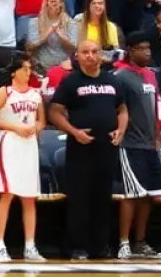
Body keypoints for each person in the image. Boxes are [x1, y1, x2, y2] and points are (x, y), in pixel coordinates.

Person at [49, 40, 128, 260]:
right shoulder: (71, 81)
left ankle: (100, 246)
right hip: (80, 148)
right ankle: (77, 246)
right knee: (79, 198)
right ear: (78, 56)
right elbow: (54, 112)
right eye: (86, 52)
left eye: (94, 52)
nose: (91, 56)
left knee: (103, 198)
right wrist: (74, 131)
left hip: (107, 148)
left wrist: (120, 130)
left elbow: (122, 109)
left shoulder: (112, 81)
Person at [0, 53, 46, 262]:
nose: (29, 72)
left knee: (29, 198)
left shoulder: (36, 95)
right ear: (14, 72)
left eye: (30, 69)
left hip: (29, 146)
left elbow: (41, 122)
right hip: (9, 142)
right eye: (25, 68)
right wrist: (16, 127)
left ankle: (30, 246)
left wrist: (35, 128)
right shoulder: (5, 92)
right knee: (7, 193)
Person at [113, 32, 161, 259]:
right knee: (131, 195)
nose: (147, 52)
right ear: (130, 51)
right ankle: (124, 243)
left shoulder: (150, 76)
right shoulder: (121, 77)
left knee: (148, 195)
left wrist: (157, 137)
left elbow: (155, 107)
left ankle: (140, 243)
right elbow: (118, 110)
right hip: (129, 143)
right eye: (142, 48)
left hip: (149, 143)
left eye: (148, 48)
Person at [25, 0, 75, 73]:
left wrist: (60, 35)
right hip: (42, 66)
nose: (53, 5)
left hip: (63, 67)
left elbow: (74, 46)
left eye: (55, 2)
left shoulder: (70, 23)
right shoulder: (35, 22)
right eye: (51, 1)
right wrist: (48, 32)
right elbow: (31, 46)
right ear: (46, 3)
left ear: (61, 4)